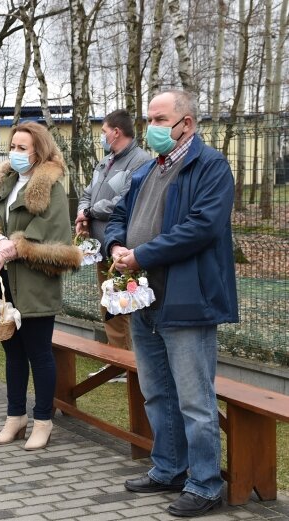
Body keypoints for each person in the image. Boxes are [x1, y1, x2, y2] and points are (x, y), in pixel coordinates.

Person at [106, 90, 238, 518]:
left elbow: (202, 227)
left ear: (188, 123)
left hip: (187, 298)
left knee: (194, 399)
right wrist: (115, 246)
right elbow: (119, 215)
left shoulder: (211, 166)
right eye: (149, 120)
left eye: (161, 120)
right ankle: (169, 467)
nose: (152, 128)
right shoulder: (147, 169)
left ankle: (204, 483)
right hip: (142, 297)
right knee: (157, 392)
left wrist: (141, 254)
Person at [0, 122, 81, 448]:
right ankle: (15, 417)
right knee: (13, 354)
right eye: (12, 147)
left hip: (35, 285)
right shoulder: (4, 183)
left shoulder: (51, 187)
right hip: (4, 284)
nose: (14, 153)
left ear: (38, 150)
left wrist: (15, 247)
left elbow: (54, 232)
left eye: (22, 148)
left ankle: (43, 421)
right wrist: (0, 241)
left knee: (39, 353)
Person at [75, 109, 152, 381]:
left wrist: (91, 212)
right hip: (102, 249)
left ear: (116, 132)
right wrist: (84, 212)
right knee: (110, 304)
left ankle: (135, 363)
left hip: (124, 248)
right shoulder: (105, 161)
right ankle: (117, 361)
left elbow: (126, 199)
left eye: (104, 132)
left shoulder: (140, 161)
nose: (102, 137)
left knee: (128, 302)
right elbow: (87, 193)